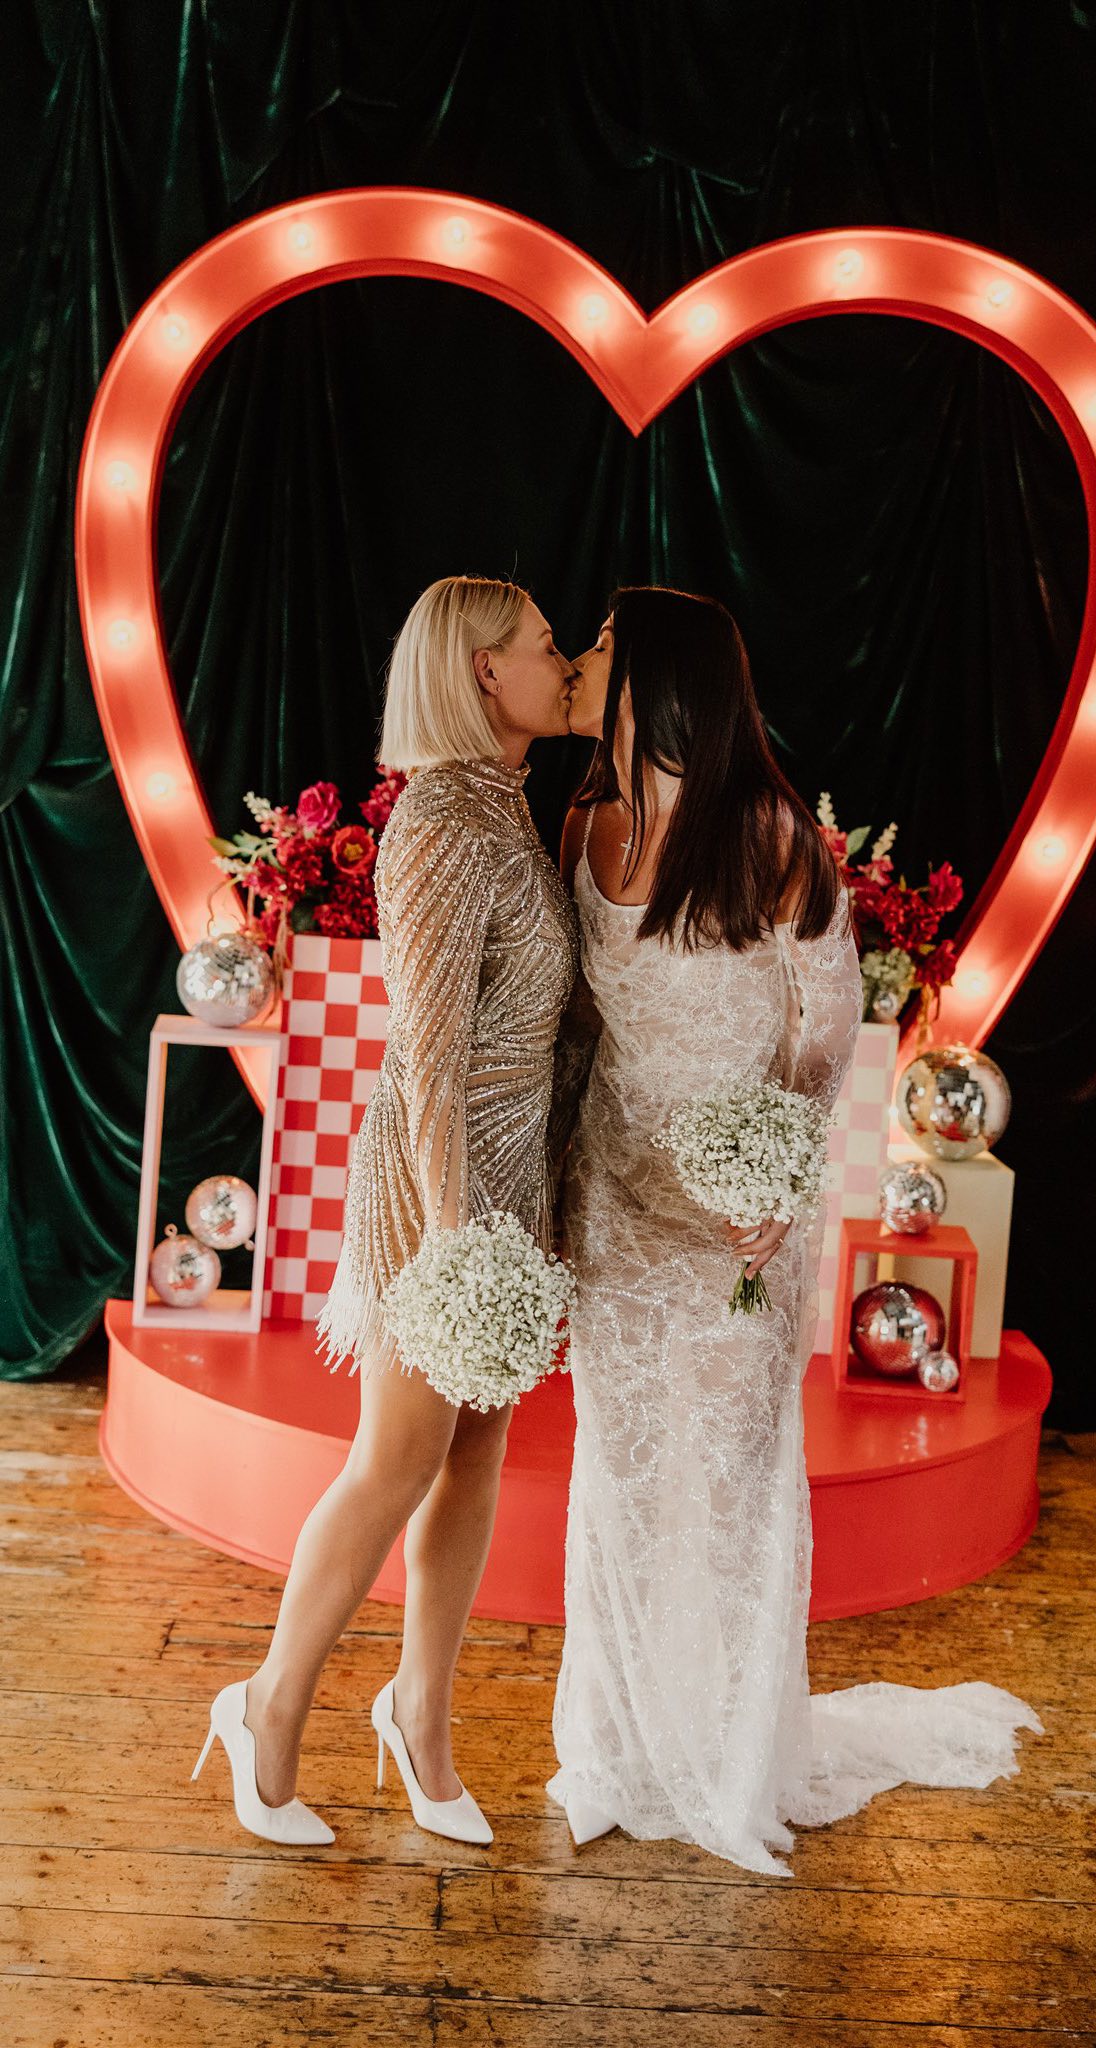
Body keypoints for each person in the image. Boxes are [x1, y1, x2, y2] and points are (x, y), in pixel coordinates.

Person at [546, 585, 1042, 1875]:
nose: (578, 656)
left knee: (721, 1480)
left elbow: (824, 1039)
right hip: (618, 1197)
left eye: (597, 643)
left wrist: (770, 1177)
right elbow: (588, 1028)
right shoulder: (579, 821)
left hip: (738, 1221)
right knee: (618, 1471)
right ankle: (615, 1746)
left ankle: (722, 1759)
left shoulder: (771, 836)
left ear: (657, 675)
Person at [191, 575, 578, 1847]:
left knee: (472, 1458)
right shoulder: (442, 824)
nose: (562, 659)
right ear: (479, 672)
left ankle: (418, 1718)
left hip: (509, 1177)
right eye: (540, 645)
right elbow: (426, 1054)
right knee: (395, 1461)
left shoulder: (506, 810)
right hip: (440, 1181)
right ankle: (268, 1707)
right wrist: (458, 1234)